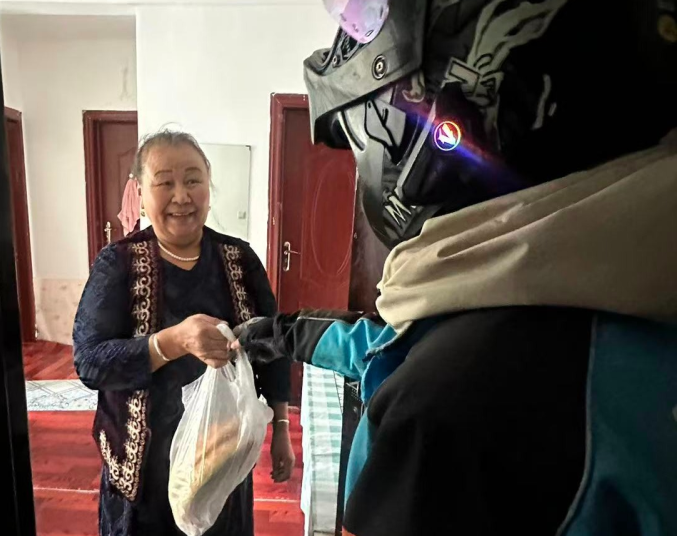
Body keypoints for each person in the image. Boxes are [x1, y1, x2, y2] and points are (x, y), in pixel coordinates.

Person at [238, 1, 677, 535]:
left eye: (358, 148)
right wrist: (282, 333)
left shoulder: (445, 408)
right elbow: (385, 346)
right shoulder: (607, 291)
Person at [73, 129, 295, 536]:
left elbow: (272, 347)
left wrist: (281, 427)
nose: (181, 196)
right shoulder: (117, 264)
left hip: (220, 468)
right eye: (165, 183)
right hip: (143, 477)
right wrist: (172, 342)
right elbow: (89, 362)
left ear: (209, 187)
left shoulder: (239, 259)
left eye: (193, 180)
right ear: (140, 193)